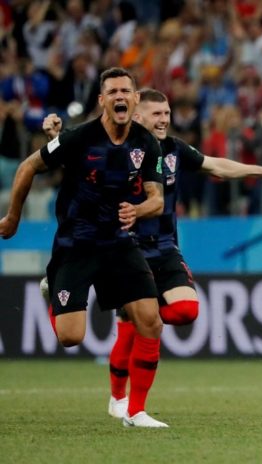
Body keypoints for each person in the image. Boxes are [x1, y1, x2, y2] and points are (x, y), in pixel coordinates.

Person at [42, 88, 262, 420]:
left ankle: (128, 384)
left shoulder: (174, 149)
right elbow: (79, 161)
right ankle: (120, 399)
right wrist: (57, 138)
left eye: (167, 113)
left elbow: (216, 165)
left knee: (184, 311)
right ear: (137, 115)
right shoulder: (118, 148)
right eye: (156, 114)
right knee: (129, 326)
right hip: (124, 248)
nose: (164, 120)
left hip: (164, 247)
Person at [0, 67, 168, 428]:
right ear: (102, 100)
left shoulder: (147, 143)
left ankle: (136, 411)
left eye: (126, 91)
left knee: (151, 322)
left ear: (136, 98)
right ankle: (53, 291)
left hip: (119, 242)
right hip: (76, 243)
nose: (120, 96)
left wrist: (138, 210)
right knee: (71, 337)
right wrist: (13, 217)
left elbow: (157, 199)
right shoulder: (79, 138)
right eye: (113, 92)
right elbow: (28, 166)